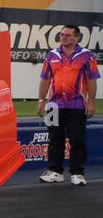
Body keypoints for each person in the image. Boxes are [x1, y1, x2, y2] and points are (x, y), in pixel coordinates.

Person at [38, 24, 98, 185]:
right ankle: (55, 171)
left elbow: (92, 79)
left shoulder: (86, 55)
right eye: (62, 34)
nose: (63, 37)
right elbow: (45, 79)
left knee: (77, 139)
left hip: (77, 104)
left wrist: (91, 101)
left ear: (76, 38)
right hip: (54, 105)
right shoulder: (52, 55)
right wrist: (41, 100)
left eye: (67, 35)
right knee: (54, 139)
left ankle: (77, 173)